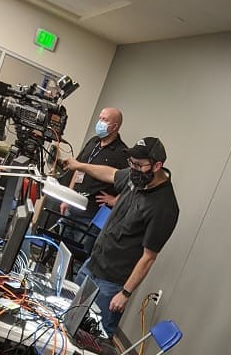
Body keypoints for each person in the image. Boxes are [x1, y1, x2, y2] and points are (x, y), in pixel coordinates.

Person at [63, 136, 179, 338]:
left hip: (112, 283)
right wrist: (79, 165)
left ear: (157, 165)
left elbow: (148, 257)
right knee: (69, 319)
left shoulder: (164, 207)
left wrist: (125, 293)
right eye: (131, 163)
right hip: (93, 264)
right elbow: (111, 173)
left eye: (139, 165)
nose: (133, 168)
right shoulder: (135, 178)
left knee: (92, 338)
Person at [59, 107, 128, 258]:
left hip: (91, 215)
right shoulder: (93, 142)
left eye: (105, 120)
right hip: (72, 208)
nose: (100, 122)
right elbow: (77, 168)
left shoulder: (122, 153)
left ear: (115, 126)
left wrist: (115, 200)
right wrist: (68, 197)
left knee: (78, 256)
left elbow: (129, 185)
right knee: (60, 252)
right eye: (100, 118)